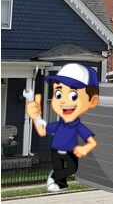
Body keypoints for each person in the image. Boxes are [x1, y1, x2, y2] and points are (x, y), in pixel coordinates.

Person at [25, 63, 100, 192]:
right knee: (60, 168)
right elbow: (43, 131)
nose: (64, 101)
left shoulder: (77, 125)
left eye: (73, 95)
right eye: (58, 94)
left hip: (70, 150)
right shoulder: (59, 124)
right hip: (55, 149)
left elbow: (91, 141)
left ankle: (54, 178)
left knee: (72, 168)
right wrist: (35, 117)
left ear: (92, 101)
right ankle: (61, 184)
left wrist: (85, 148)